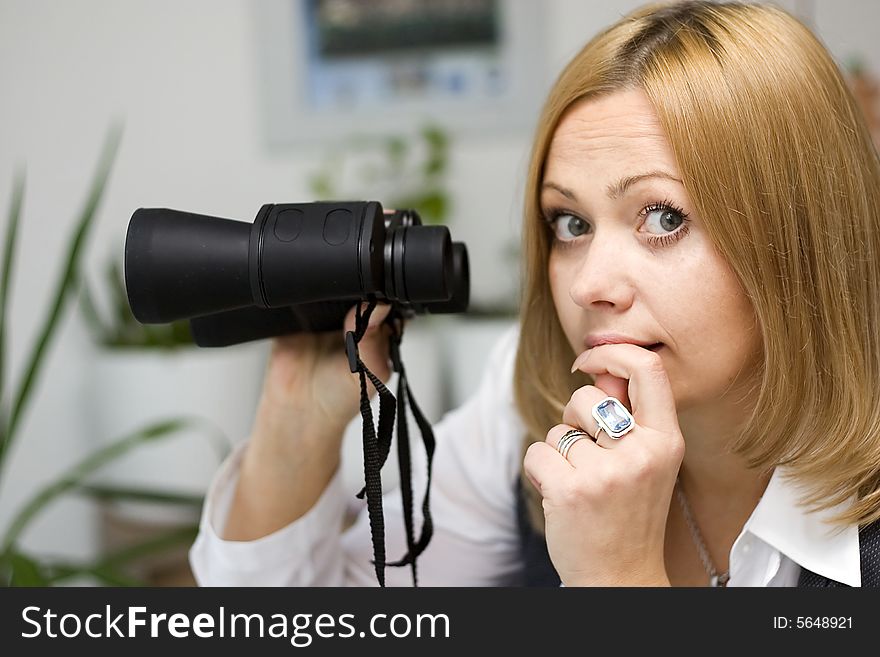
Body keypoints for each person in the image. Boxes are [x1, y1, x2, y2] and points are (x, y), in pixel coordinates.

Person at [190, 0, 880, 587]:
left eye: (663, 218)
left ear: (802, 239)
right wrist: (296, 419)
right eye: (570, 224)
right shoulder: (526, 404)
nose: (588, 284)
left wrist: (619, 579)